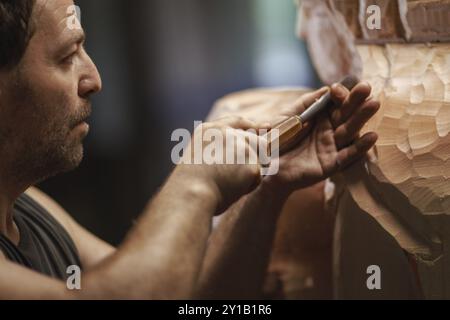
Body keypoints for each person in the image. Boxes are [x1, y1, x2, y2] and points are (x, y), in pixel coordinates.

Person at [0, 0, 379, 299]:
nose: (94, 79)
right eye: (66, 57)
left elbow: (189, 298)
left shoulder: (28, 208)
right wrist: (195, 182)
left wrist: (269, 183)